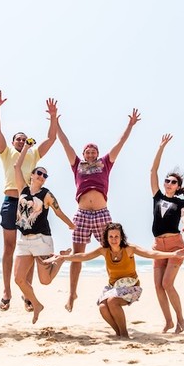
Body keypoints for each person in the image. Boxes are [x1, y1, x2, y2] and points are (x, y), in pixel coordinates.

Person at [56, 107, 141, 312]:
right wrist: (55, 122)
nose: (91, 153)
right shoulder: (77, 165)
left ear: (98, 153)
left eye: (94, 151)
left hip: (102, 213)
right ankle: (72, 293)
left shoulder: (105, 163)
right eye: (88, 151)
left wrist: (130, 125)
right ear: (84, 154)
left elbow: (120, 143)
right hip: (82, 214)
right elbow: (65, 143)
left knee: (113, 249)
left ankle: (118, 286)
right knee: (78, 254)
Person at [45, 222, 184, 339]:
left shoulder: (129, 249)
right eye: (111, 236)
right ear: (106, 238)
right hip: (113, 287)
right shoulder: (104, 250)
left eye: (116, 236)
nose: (114, 239)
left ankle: (124, 334)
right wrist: (63, 257)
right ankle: (119, 333)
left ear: (121, 237)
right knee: (103, 307)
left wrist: (173, 254)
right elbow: (83, 256)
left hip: (131, 287)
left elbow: (151, 254)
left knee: (112, 301)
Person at [0, 89, 58, 312]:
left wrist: (53, 117)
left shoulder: (33, 153)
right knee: (9, 247)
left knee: (29, 247)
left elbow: (51, 139)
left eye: (23, 138)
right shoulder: (6, 152)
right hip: (11, 202)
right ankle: (6, 291)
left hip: (30, 205)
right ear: (13, 142)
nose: (21, 140)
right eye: (17, 139)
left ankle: (27, 294)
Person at [12, 139, 75, 324]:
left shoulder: (46, 194)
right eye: (39, 173)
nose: (41, 176)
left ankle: (61, 258)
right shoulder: (22, 189)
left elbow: (58, 212)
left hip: (41, 240)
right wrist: (26, 148)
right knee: (19, 279)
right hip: (23, 240)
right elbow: (16, 166)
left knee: (45, 281)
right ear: (32, 175)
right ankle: (36, 304)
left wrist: (71, 225)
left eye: (45, 175)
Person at [149, 134, 184, 333]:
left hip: (175, 244)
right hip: (158, 246)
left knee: (167, 284)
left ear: (178, 187)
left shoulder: (180, 202)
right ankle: (168, 321)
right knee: (158, 286)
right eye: (167, 180)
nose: (169, 183)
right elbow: (153, 170)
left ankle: (181, 320)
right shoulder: (157, 196)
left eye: (173, 182)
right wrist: (161, 147)